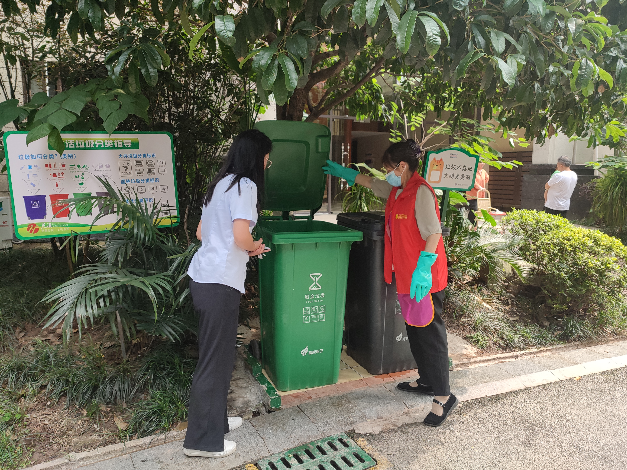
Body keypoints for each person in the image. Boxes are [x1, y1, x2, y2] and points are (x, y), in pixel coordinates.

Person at [323, 140, 457, 427]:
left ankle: (444, 398)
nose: (386, 174)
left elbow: (433, 232)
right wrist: (344, 173)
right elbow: (372, 183)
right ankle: (427, 381)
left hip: (424, 280)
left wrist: (423, 269)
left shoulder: (420, 191)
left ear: (402, 166)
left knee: (431, 336)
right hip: (408, 278)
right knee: (415, 331)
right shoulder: (399, 190)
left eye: (389, 168)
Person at [184, 129, 273, 458]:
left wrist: (241, 248)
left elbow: (200, 232)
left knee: (216, 356)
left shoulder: (220, 184)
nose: (268, 162)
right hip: (220, 283)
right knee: (215, 361)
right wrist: (251, 246)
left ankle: (216, 422)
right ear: (255, 156)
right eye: (267, 156)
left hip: (205, 277)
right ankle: (202, 442)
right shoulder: (245, 186)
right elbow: (239, 234)